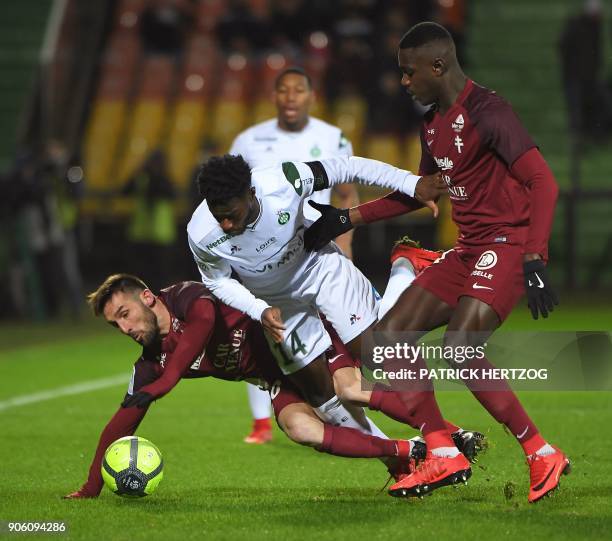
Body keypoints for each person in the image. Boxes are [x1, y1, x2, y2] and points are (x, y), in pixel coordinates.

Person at [302, 22, 570, 503]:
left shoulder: (490, 113)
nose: (404, 82)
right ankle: (443, 451)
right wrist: (348, 216)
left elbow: (542, 183)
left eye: (409, 73)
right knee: (386, 340)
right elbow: (420, 193)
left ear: (438, 66)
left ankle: (541, 452)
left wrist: (535, 256)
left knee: (461, 348)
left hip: (507, 244)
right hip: (470, 248)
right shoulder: (432, 125)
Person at [63, 274, 482, 498]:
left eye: (125, 313)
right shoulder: (151, 362)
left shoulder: (187, 296)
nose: (124, 327)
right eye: (115, 323)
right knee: (303, 429)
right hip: (277, 376)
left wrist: (169, 379)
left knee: (350, 390)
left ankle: (406, 269)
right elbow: (120, 424)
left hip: (304, 336)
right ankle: (414, 450)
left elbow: (205, 323)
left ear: (148, 298)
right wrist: (91, 486)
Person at [187, 153, 469, 478]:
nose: (226, 225)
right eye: (218, 216)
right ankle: (400, 463)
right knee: (322, 397)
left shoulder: (284, 180)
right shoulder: (202, 233)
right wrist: (258, 309)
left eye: (231, 215)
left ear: (251, 193)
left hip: (320, 268)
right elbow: (217, 281)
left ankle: (404, 270)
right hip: (277, 304)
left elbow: (348, 167)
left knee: (379, 353)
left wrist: (410, 183)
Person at [229, 66, 360, 444]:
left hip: (318, 251)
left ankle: (335, 405)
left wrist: (346, 248)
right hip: (264, 255)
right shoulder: (248, 141)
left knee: (332, 331)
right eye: (283, 90)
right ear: (275, 97)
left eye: (298, 90)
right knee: (266, 329)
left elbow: (347, 194)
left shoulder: (333, 137)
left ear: (311, 96)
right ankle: (261, 422)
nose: (290, 97)